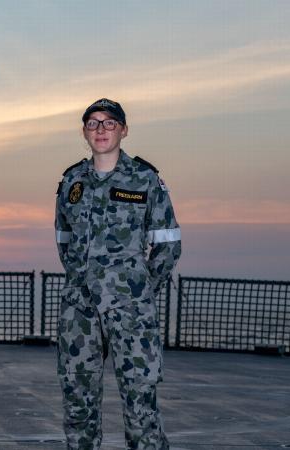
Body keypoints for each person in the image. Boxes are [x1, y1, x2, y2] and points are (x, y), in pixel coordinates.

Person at [54, 98, 181, 449]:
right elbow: (64, 241)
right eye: (93, 123)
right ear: (84, 131)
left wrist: (140, 289)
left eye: (109, 123)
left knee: (141, 407)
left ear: (123, 130)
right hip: (79, 312)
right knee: (79, 405)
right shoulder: (71, 182)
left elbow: (168, 245)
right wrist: (83, 282)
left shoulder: (145, 179)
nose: (101, 130)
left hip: (132, 313)